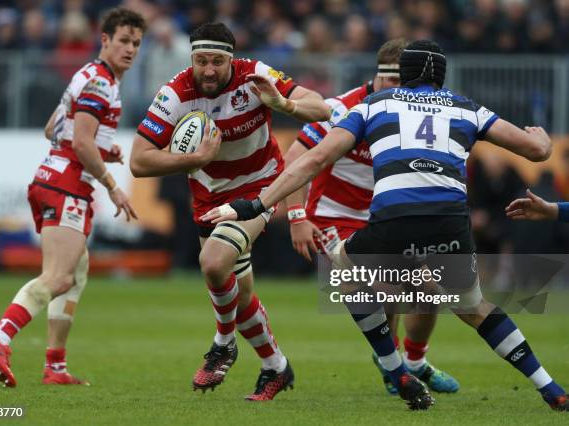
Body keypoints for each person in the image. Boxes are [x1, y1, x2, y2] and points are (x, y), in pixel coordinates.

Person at [202, 40, 568, 412]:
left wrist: (257, 203)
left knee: (344, 274)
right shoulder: (466, 107)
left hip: (392, 216)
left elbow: (313, 160)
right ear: (441, 77)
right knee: (472, 305)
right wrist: (540, 139)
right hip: (450, 220)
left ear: (402, 76)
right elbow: (536, 151)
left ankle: (398, 370)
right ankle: (549, 386)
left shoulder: (374, 105)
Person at [129, 22, 330, 401]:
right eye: (201, 61)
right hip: (208, 198)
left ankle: (224, 343)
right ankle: (276, 366)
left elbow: (320, 107)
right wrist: (194, 158)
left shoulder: (255, 76)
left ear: (231, 60)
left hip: (261, 189)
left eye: (217, 62)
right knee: (239, 295)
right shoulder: (175, 93)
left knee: (213, 262)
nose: (208, 70)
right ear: (192, 60)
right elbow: (139, 161)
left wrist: (284, 105)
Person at [0, 7, 145, 388]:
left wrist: (101, 149)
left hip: (50, 177)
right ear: (105, 40)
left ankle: (55, 367)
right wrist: (112, 184)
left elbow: (53, 127)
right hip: (68, 184)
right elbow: (81, 141)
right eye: (123, 41)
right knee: (59, 275)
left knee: (75, 271)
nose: (130, 49)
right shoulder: (103, 83)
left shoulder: (85, 74)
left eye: (136, 43)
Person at [283, 38, 458, 395]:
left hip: (385, 217)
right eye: (388, 81)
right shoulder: (343, 109)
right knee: (385, 285)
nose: (394, 89)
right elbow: (295, 158)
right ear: (375, 77)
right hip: (332, 217)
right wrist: (297, 216)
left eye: (401, 82)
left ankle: (412, 361)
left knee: (429, 290)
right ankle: (394, 365)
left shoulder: (418, 114)